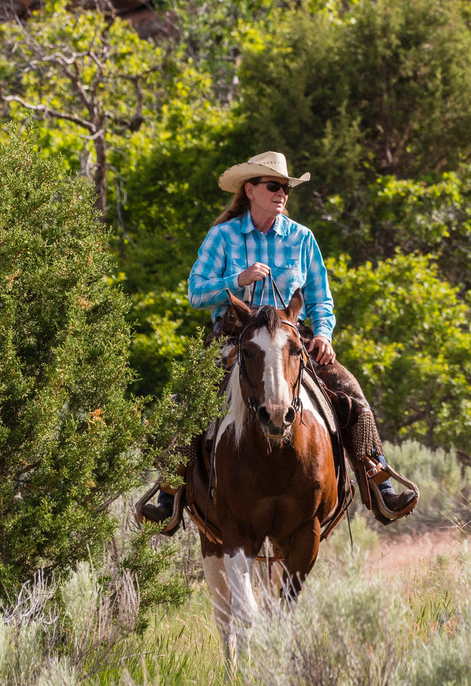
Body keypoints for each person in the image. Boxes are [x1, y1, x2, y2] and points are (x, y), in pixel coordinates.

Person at [137, 151, 418, 529]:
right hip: (235, 336)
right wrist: (237, 280)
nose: (282, 193)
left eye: (285, 187)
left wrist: (322, 334)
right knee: (186, 400)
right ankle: (170, 493)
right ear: (250, 190)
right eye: (274, 186)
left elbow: (320, 298)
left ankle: (378, 481)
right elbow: (195, 293)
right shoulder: (223, 236)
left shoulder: (302, 237)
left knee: (351, 394)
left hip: (292, 338)